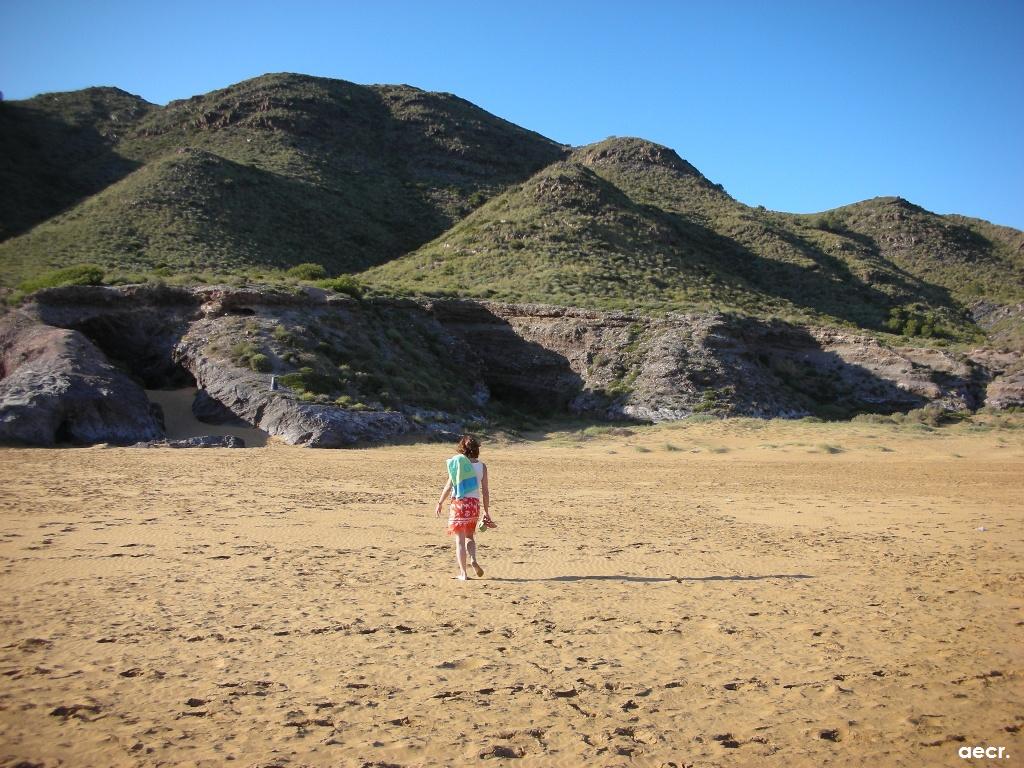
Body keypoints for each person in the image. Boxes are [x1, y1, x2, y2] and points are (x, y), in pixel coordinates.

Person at [434, 435, 496, 580]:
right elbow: (485, 490)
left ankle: (463, 574)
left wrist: (440, 502)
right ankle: (473, 559)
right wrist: (486, 511)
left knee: (459, 541)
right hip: (474, 504)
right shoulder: (482, 466)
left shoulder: (458, 463)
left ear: (463, 447)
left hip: (459, 503)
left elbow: (449, 486)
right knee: (470, 536)